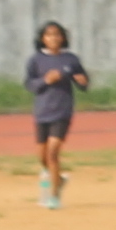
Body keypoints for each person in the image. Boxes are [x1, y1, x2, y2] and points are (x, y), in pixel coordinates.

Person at [23, 22, 90, 209]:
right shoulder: (35, 60)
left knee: (53, 152)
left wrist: (82, 82)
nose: (53, 38)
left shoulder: (70, 59)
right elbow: (29, 84)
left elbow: (83, 82)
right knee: (42, 157)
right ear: (42, 38)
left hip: (62, 111)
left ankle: (54, 196)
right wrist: (45, 80)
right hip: (42, 111)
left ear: (63, 38)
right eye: (49, 35)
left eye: (57, 35)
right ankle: (57, 179)